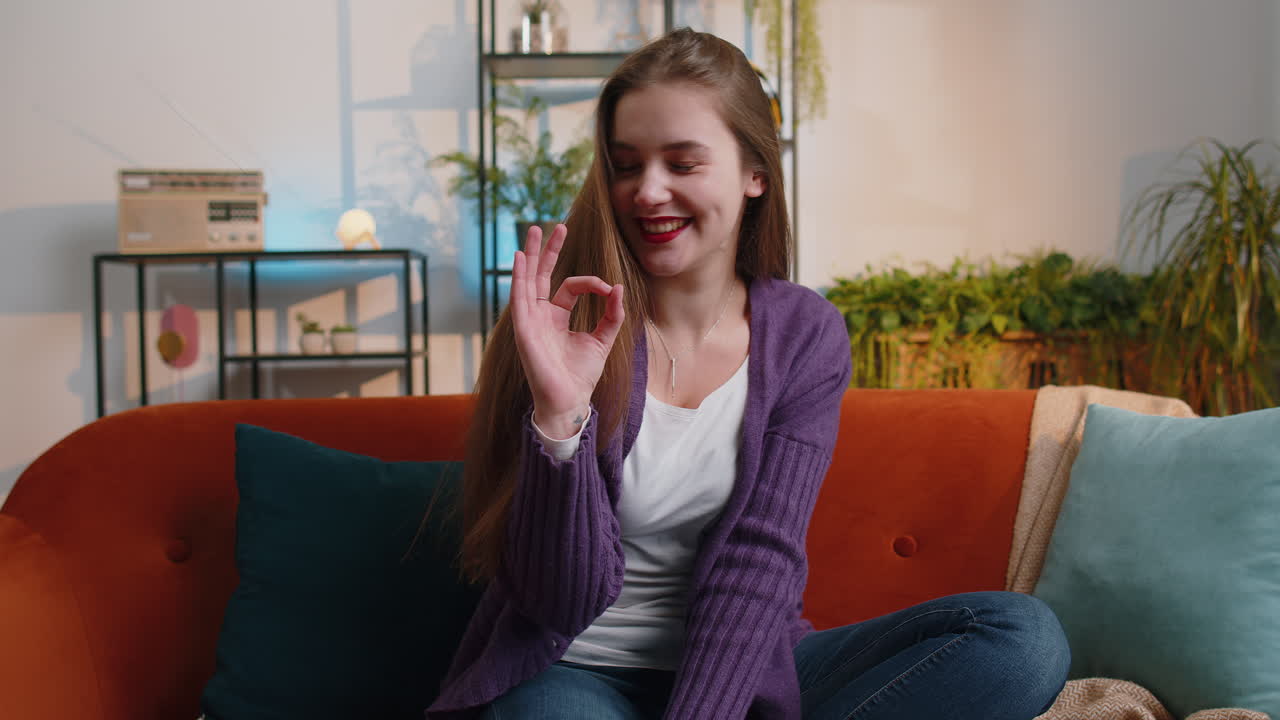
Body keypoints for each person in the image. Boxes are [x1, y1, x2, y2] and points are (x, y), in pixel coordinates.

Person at [427, 27, 1070, 720]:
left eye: (682, 162)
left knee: (1022, 639)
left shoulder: (804, 335)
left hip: (746, 667)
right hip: (574, 669)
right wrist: (560, 423)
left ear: (754, 174)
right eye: (625, 164)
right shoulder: (564, 322)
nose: (647, 191)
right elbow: (557, 600)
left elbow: (758, 562)